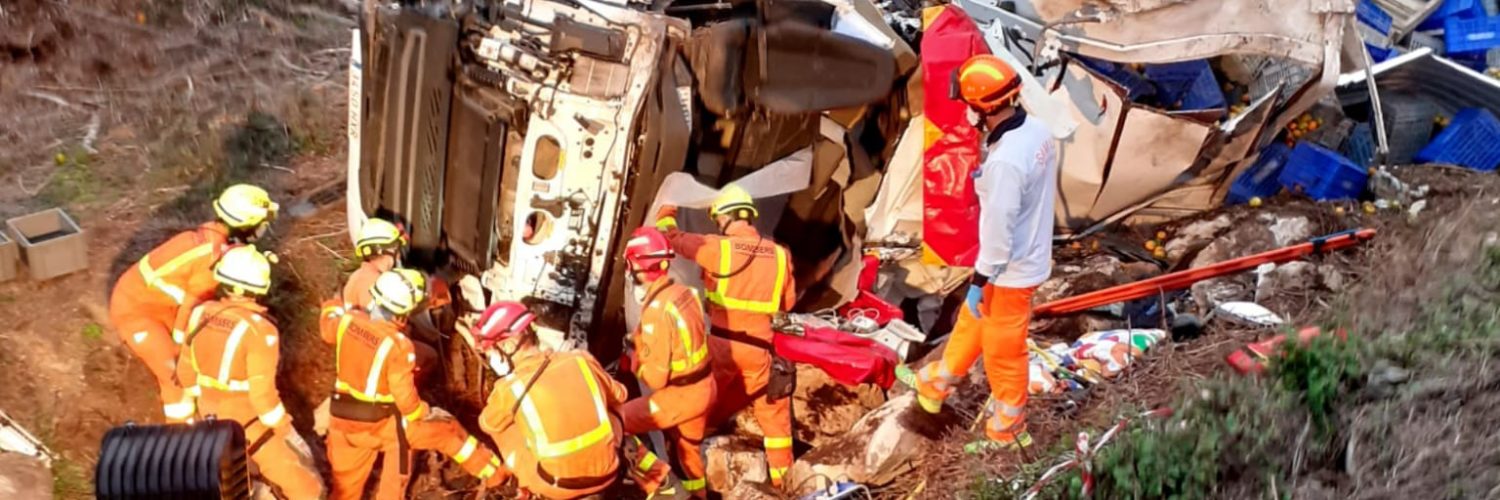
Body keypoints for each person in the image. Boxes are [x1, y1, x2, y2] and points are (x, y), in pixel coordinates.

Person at [913, 54, 1060, 453]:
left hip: (1011, 269)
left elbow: (998, 231)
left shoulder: (1006, 163)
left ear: (982, 107)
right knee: (973, 320)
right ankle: (937, 381)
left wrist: (981, 278)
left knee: (1003, 350)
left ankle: (1008, 430)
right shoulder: (1037, 130)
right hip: (1025, 254)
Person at [654, 184, 797, 487]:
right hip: (761, 350)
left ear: (725, 217)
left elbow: (670, 238)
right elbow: (788, 304)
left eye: (717, 219)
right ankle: (787, 486)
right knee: (776, 423)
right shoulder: (782, 256)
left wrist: (668, 208)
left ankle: (689, 482)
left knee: (696, 409)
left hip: (722, 346)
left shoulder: (718, 248)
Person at [320, 270, 503, 499]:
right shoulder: (399, 346)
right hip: (380, 425)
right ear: (403, 313)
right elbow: (408, 405)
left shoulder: (347, 322)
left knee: (344, 491)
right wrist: (427, 411)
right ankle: (499, 477)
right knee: (447, 431)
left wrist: (333, 303)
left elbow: (328, 325)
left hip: (341, 423)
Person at [474, 301, 678, 499]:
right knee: (613, 410)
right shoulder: (580, 360)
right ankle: (661, 483)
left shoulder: (510, 390)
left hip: (557, 487)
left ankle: (525, 491)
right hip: (609, 472)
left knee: (503, 430)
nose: (490, 356)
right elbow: (620, 394)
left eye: (491, 348)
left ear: (509, 345)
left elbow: (487, 423)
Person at [110, 184, 277, 423]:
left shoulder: (210, 236)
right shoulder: (212, 257)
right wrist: (182, 348)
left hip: (160, 303)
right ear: (246, 224)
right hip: (136, 311)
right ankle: (181, 435)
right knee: (175, 377)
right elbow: (191, 305)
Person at [174, 245, 324, 498]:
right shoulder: (260, 331)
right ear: (259, 288)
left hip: (208, 413)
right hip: (247, 420)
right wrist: (288, 433)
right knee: (308, 487)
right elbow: (263, 398)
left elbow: (186, 371)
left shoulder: (200, 313)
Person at [618, 227, 716, 497]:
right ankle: (697, 495)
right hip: (705, 387)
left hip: (679, 397)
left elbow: (654, 379)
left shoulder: (657, 313)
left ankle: (663, 488)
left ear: (636, 266)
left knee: (616, 423)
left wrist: (637, 358)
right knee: (688, 451)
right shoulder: (684, 293)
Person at [343, 217, 405, 308]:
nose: (399, 253)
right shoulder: (373, 283)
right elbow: (380, 320)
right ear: (387, 250)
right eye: (397, 247)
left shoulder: (362, 276)